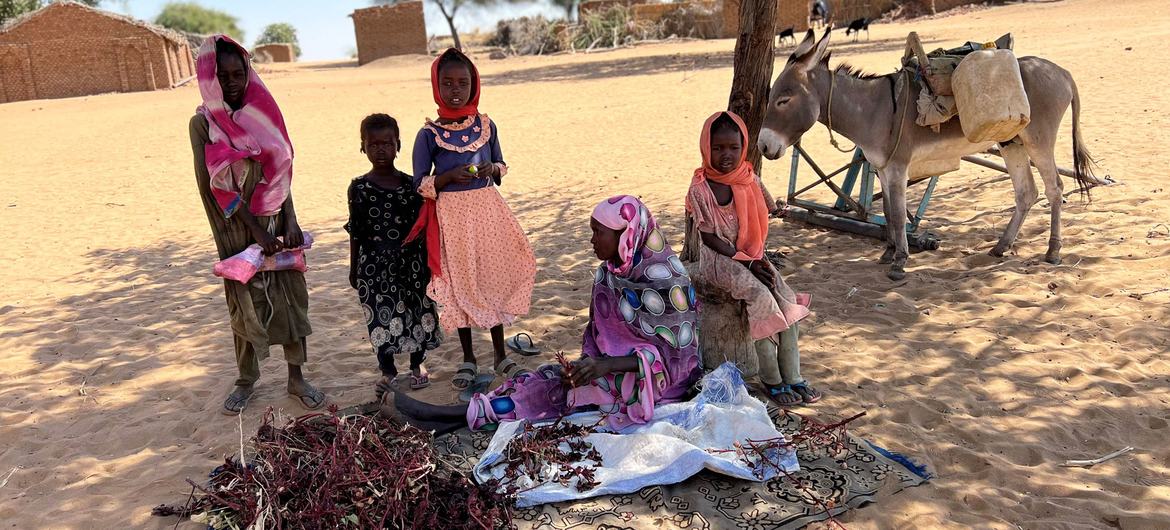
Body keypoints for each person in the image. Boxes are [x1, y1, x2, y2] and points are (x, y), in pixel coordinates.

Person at [383, 196, 702, 432]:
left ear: (626, 235)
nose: (591, 240)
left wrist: (604, 367)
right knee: (543, 378)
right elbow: (599, 336)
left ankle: (443, 418)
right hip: (614, 371)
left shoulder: (665, 281)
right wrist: (585, 366)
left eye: (597, 232)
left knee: (548, 394)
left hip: (657, 385)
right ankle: (452, 416)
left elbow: (673, 357)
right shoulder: (609, 274)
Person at [189, 35, 325, 415]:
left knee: (290, 297)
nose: (232, 83)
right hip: (234, 227)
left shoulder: (263, 110)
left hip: (278, 221)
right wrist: (254, 231)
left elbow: (281, 170)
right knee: (245, 305)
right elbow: (211, 187)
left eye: (239, 74)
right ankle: (246, 379)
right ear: (209, 77)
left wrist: (291, 220)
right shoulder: (202, 124)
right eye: (223, 76)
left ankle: (296, 377)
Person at [409, 48, 537, 391]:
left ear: (474, 84)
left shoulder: (486, 125)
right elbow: (419, 182)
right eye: (447, 82)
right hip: (451, 219)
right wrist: (447, 178)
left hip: (487, 212)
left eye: (463, 82)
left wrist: (491, 168)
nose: (455, 89)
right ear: (436, 86)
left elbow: (502, 165)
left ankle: (500, 355)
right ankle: (468, 357)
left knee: (491, 276)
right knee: (460, 281)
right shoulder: (428, 135)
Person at [685, 111, 822, 406]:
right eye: (718, 148)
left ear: (744, 147)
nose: (726, 155)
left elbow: (768, 210)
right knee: (761, 297)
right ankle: (771, 380)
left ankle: (793, 375)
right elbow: (709, 238)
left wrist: (756, 255)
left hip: (751, 254)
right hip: (720, 261)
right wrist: (746, 262)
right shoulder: (700, 188)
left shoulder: (748, 178)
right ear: (706, 148)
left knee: (785, 297)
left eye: (733, 148)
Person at [346, 113, 442, 397]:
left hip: (412, 262)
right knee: (380, 317)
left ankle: (417, 364)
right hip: (374, 265)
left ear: (398, 145)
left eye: (387, 143)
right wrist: (354, 268)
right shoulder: (359, 187)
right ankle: (387, 369)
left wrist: (428, 262)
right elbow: (356, 230)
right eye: (373, 144)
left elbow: (424, 227)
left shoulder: (413, 185)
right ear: (363, 147)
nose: (381, 150)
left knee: (418, 312)